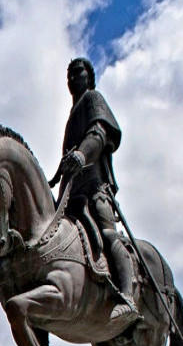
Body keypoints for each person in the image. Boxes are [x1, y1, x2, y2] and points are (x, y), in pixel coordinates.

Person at [49, 57, 139, 330]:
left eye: (77, 73)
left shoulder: (92, 100)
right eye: (68, 75)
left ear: (89, 76)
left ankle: (127, 296)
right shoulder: (72, 115)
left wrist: (81, 153)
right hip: (74, 190)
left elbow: (99, 134)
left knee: (108, 233)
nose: (72, 79)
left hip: (94, 187)